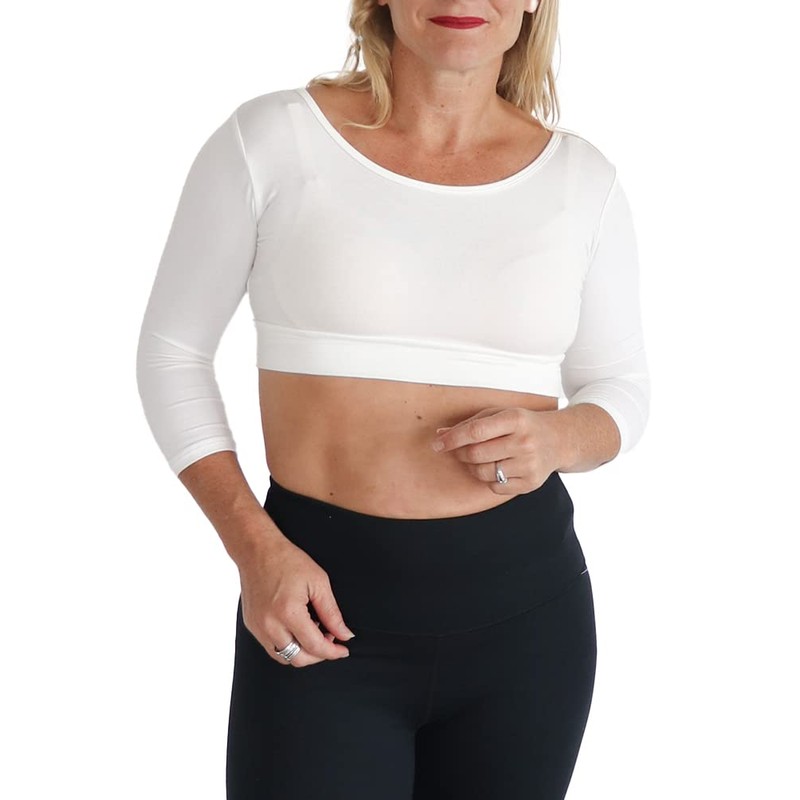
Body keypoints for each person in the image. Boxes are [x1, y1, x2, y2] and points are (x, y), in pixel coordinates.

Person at [136, 0, 649, 797]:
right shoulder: (275, 140)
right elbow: (171, 354)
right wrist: (255, 550)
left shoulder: (582, 181)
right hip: (318, 611)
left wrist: (559, 440)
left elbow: (620, 389)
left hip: (527, 625)